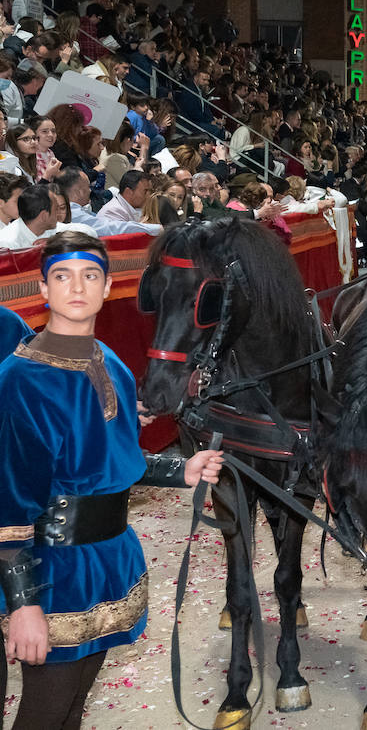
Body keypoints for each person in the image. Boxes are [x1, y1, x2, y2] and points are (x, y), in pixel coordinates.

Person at [0, 232, 224, 729]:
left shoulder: (111, 362)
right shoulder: (21, 380)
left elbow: (111, 459)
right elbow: (8, 506)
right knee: (45, 713)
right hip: (52, 573)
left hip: (108, 560)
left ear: (107, 287)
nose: (77, 287)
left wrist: (181, 470)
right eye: (62, 276)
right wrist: (23, 606)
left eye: (90, 275)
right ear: (43, 288)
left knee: (73, 709)